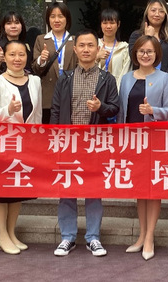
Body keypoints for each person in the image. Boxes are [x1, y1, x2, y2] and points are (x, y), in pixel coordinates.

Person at [50, 29, 120, 258]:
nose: (86, 49)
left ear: (98, 49)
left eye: (91, 45)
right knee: (66, 191)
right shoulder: (65, 78)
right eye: (82, 45)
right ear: (75, 49)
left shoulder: (107, 79)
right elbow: (56, 111)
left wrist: (101, 108)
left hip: (95, 144)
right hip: (68, 143)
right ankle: (68, 237)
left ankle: (93, 237)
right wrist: (54, 140)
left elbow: (115, 108)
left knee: (93, 191)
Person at [119, 35, 168, 261]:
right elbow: (121, 111)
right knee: (140, 191)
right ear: (135, 53)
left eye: (150, 51)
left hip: (154, 141)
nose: (145, 55)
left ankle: (150, 237)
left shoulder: (165, 78)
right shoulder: (126, 78)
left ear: (156, 54)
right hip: (131, 142)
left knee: (153, 191)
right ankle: (141, 236)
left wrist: (153, 111)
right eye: (141, 51)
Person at [0, 40, 41, 255]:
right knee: (2, 191)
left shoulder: (35, 81)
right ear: (4, 57)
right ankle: (1, 235)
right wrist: (8, 110)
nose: (17, 59)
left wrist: (37, 141)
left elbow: (37, 115)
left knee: (18, 189)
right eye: (12, 54)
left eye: (21, 54)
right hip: (3, 143)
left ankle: (11, 232)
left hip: (25, 144)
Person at [33, 2, 77, 124]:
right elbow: (35, 69)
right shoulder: (41, 39)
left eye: (61, 16)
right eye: (52, 16)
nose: (56, 20)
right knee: (48, 131)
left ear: (67, 19)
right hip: (48, 95)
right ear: (48, 19)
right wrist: (41, 60)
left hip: (71, 93)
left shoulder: (75, 40)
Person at [128, 0, 168, 83]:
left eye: (161, 11)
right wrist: (147, 37)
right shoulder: (136, 36)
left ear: (166, 14)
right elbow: (135, 59)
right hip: (141, 81)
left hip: (165, 83)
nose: (157, 14)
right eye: (153, 10)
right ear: (147, 13)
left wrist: (164, 83)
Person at [0, 11, 32, 77]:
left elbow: (31, 69)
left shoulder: (26, 46)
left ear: (22, 26)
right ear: (4, 27)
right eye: (9, 23)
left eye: (16, 23)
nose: (13, 26)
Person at [97, 8, 130, 90]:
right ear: (101, 24)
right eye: (105, 23)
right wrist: (96, 57)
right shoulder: (94, 45)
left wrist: (116, 92)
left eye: (112, 23)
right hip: (95, 91)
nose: (108, 26)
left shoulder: (124, 48)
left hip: (116, 92)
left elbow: (125, 74)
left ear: (118, 24)